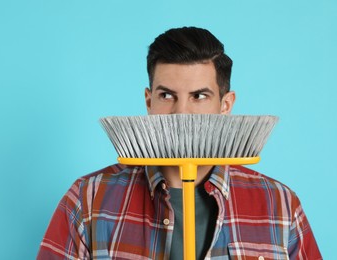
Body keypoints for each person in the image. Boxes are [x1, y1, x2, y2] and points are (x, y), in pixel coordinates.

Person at [37, 27, 322, 259]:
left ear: (225, 105)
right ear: (149, 101)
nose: (181, 112)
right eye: (167, 96)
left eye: (199, 96)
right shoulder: (88, 200)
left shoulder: (280, 205)